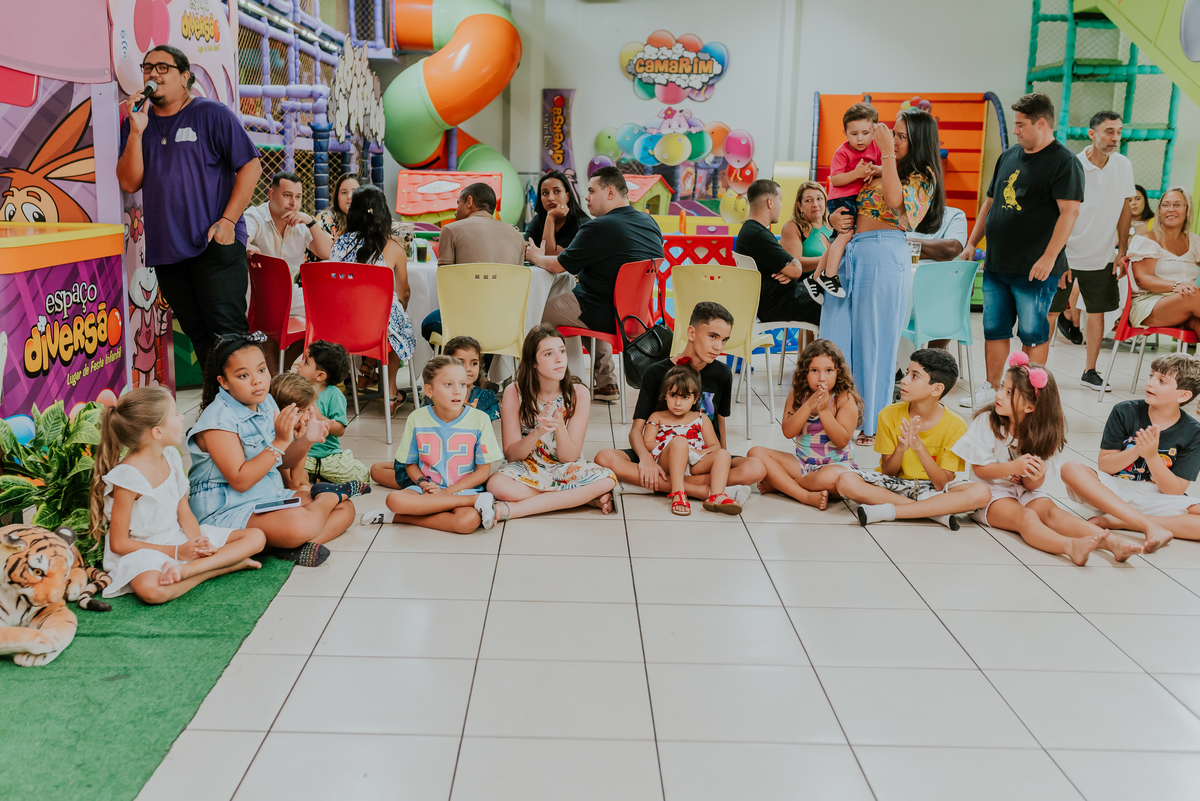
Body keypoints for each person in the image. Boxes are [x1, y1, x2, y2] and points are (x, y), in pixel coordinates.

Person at [116, 45, 262, 371]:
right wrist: (136, 131)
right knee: (200, 337)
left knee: (230, 337)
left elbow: (251, 165)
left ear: (185, 77)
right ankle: (216, 402)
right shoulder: (137, 123)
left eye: (163, 67)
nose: (153, 73)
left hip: (214, 243)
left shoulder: (211, 113)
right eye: (147, 67)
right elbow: (129, 182)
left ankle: (252, 403)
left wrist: (228, 222)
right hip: (168, 252)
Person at [820, 107, 945, 445]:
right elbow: (845, 199)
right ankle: (835, 415)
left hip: (884, 253)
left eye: (901, 136)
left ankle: (870, 422)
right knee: (834, 338)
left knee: (873, 341)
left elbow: (894, 201)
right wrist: (832, 220)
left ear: (917, 140)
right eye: (894, 134)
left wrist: (887, 153)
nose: (894, 139)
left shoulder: (922, 174)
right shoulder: (878, 166)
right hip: (852, 251)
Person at [958, 93, 1084, 409]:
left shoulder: (1064, 162)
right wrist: (972, 243)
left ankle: (1027, 394)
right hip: (998, 263)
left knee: (1033, 333)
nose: (1015, 130)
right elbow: (989, 203)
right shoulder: (1009, 156)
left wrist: (1049, 257)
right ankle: (992, 388)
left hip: (1035, 267)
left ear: (1041, 123)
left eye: (1020, 124)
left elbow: (1069, 212)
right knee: (994, 329)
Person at [953, 353, 1141, 564]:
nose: (999, 395)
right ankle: (1069, 547)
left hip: (1024, 491)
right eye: (1002, 387)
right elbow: (980, 470)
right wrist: (1012, 467)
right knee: (1026, 517)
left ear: (1030, 407)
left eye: (1008, 393)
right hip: (990, 493)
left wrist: (1035, 477)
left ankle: (1113, 543)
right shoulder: (987, 421)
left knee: (1053, 513)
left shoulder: (1042, 434)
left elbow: (1032, 485)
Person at [187, 333, 355, 568]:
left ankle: (290, 546)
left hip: (267, 497)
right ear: (224, 382)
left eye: (261, 370)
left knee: (346, 509)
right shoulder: (218, 419)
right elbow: (240, 481)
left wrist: (307, 439)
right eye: (243, 375)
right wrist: (279, 442)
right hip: (227, 510)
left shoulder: (266, 402)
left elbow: (283, 462)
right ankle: (321, 504)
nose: (257, 381)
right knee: (302, 523)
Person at [89, 387, 266, 604]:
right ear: (157, 432)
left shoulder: (170, 456)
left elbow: (184, 511)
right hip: (143, 551)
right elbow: (119, 544)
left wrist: (198, 543)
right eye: (175, 414)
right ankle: (219, 567)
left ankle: (188, 570)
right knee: (152, 591)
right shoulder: (127, 477)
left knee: (256, 537)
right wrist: (177, 552)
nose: (181, 417)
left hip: (177, 538)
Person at [594, 302, 764, 504]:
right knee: (604, 458)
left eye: (724, 340)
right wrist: (646, 460)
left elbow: (720, 424)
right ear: (691, 333)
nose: (719, 347)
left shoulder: (722, 373)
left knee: (756, 468)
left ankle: (657, 484)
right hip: (661, 455)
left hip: (700, 457)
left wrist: (721, 457)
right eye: (713, 336)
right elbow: (636, 432)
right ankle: (701, 490)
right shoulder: (656, 372)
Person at [526, 166, 664, 402]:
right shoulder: (649, 222)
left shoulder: (598, 227)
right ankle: (604, 381)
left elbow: (559, 265)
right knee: (578, 302)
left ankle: (539, 386)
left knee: (534, 313)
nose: (586, 197)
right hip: (636, 317)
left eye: (591, 191)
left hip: (599, 311)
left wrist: (535, 257)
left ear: (610, 192)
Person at [833, 348, 991, 529]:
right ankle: (934, 513)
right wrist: (901, 448)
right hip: (895, 486)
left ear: (937, 389)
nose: (904, 380)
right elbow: (888, 473)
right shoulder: (888, 414)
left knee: (981, 492)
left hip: (933, 490)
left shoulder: (956, 425)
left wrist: (919, 447)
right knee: (846, 480)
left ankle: (891, 511)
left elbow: (942, 483)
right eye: (907, 373)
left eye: (914, 376)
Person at [1061, 354, 1200, 552]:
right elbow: (1105, 466)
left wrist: (1152, 457)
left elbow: (1174, 490)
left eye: (1161, 381)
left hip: (1158, 497)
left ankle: (1120, 521)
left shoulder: (1194, 432)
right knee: (1071, 469)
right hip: (1114, 492)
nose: (1150, 383)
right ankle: (1146, 524)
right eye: (1151, 376)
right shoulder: (1125, 411)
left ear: (1183, 396)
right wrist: (1137, 451)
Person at [486, 325, 618, 520]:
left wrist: (560, 427)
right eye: (548, 354)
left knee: (608, 480)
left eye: (562, 351)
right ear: (533, 362)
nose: (559, 359)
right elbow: (512, 455)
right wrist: (537, 432)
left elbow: (569, 458)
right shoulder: (514, 392)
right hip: (526, 467)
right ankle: (580, 498)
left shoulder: (578, 393)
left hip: (564, 469)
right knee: (496, 485)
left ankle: (516, 510)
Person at [1046, 111, 1135, 391]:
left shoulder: (1123, 165)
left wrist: (1122, 248)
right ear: (1092, 134)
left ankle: (1090, 371)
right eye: (1109, 131)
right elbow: (1057, 212)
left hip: (1102, 255)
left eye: (1119, 132)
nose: (1115, 138)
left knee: (1097, 314)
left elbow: (1125, 207)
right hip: (1067, 255)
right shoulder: (1072, 164)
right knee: (1051, 313)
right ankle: (1038, 372)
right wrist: (1058, 256)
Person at [363, 356, 501, 534]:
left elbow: (482, 472)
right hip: (427, 491)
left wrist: (446, 493)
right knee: (394, 500)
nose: (457, 391)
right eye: (448, 384)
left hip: (463, 490)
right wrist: (423, 484)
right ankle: (475, 501)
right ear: (429, 390)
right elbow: (411, 464)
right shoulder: (416, 418)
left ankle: (396, 517)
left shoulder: (480, 419)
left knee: (467, 521)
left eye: (462, 384)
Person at [328, 185, 416, 416]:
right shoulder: (394, 247)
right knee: (396, 322)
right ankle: (391, 393)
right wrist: (399, 310)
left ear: (353, 213)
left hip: (340, 326)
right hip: (376, 329)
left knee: (386, 317)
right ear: (384, 212)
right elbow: (404, 293)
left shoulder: (339, 244)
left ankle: (366, 369)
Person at [748, 339, 862, 510]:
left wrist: (823, 411)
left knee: (835, 479)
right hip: (802, 463)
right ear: (804, 373)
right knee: (755, 453)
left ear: (838, 372)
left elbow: (841, 441)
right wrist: (808, 406)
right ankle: (804, 494)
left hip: (835, 465)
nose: (821, 378)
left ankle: (783, 485)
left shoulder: (843, 399)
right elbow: (788, 432)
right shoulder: (797, 394)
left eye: (829, 370)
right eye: (814, 370)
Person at [244, 172, 333, 369]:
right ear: (271, 194)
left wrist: (310, 221)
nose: (294, 203)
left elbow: (327, 252)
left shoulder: (301, 223)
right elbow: (242, 238)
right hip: (257, 298)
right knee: (271, 326)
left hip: (289, 296)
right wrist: (249, 247)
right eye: (287, 195)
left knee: (327, 312)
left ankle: (283, 366)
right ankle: (278, 372)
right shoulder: (255, 216)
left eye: (298, 197)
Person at [420, 183, 527, 345]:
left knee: (428, 324)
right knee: (484, 327)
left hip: (464, 321)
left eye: (458, 203)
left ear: (469, 201)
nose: (455, 211)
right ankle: (480, 361)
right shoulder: (517, 236)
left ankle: (464, 360)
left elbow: (445, 286)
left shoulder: (450, 230)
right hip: (506, 326)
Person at [802, 102, 880, 301]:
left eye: (865, 133)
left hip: (855, 198)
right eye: (854, 133)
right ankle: (829, 275)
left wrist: (874, 171)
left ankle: (814, 278)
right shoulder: (843, 152)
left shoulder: (877, 148)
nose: (860, 138)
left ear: (874, 130)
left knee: (837, 240)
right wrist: (857, 173)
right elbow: (835, 179)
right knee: (846, 234)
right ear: (845, 133)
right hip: (841, 197)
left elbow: (884, 168)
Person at [643, 363, 739, 516]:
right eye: (673, 396)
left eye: (685, 397)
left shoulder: (701, 418)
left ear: (695, 399)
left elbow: (715, 446)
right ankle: (678, 493)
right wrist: (674, 445)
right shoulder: (657, 416)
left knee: (723, 454)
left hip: (695, 462)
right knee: (680, 441)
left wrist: (698, 452)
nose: (678, 403)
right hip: (668, 461)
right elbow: (647, 443)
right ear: (665, 395)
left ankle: (717, 495)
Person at [734, 179, 822, 328]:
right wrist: (791, 270)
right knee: (834, 301)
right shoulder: (757, 234)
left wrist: (788, 269)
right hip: (779, 304)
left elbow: (791, 268)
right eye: (780, 200)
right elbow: (796, 270)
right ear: (770, 202)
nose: (781, 205)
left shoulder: (751, 231)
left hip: (778, 300)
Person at [1125, 187, 1200, 335]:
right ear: (1159, 211)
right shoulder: (1147, 240)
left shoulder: (1194, 241)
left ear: (1187, 209)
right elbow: (1142, 279)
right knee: (1192, 296)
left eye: (1177, 205)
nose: (1171, 209)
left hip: (1186, 305)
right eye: (1166, 205)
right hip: (1150, 305)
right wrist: (1177, 286)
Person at [295, 340, 371, 484]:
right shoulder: (294, 390)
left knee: (362, 475)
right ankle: (315, 478)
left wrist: (320, 418)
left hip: (328, 456)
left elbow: (340, 430)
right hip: (301, 454)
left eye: (306, 362)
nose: (299, 363)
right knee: (283, 468)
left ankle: (316, 477)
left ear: (320, 376)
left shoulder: (334, 395)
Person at [425, 336, 501, 421]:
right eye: (460, 363)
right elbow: (424, 420)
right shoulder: (437, 394)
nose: (468, 368)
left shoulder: (487, 396)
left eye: (474, 363)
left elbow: (487, 426)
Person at [268, 371, 318, 491]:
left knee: (305, 478)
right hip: (274, 488)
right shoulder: (277, 436)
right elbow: (293, 483)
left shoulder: (290, 431)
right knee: (304, 488)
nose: (306, 418)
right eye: (299, 412)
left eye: (308, 410)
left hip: (288, 482)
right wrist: (303, 442)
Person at [525, 170, 583, 255]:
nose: (550, 198)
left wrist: (551, 217)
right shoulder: (537, 220)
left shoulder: (580, 223)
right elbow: (524, 249)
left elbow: (550, 256)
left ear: (567, 196)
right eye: (545, 193)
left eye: (556, 191)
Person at [779, 181, 834, 271]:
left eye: (819, 199)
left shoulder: (833, 225)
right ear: (799, 206)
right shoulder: (792, 227)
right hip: (806, 279)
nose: (815, 204)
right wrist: (832, 259)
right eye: (808, 200)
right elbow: (792, 264)